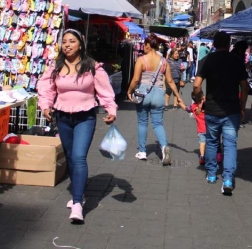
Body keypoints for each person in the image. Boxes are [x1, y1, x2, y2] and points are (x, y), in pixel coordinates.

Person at [37, 29, 116, 224]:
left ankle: (78, 202)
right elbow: (46, 88)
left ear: (81, 44)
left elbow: (105, 91)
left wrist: (111, 109)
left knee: (79, 157)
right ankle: (77, 190)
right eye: (64, 42)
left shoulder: (92, 67)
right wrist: (45, 106)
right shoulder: (56, 67)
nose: (67, 45)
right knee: (71, 157)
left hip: (85, 117)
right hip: (63, 117)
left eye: (72, 41)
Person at [193, 31, 248, 195]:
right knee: (230, 145)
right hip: (232, 110)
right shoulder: (237, 61)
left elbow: (196, 85)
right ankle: (228, 179)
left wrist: (199, 99)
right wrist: (243, 107)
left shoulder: (207, 60)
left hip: (212, 110)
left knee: (211, 142)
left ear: (214, 44)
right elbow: (244, 86)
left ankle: (211, 175)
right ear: (229, 43)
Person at [127, 34, 186, 165]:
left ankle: (142, 151)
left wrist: (129, 91)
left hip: (143, 94)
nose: (143, 48)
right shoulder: (164, 61)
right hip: (159, 95)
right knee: (158, 124)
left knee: (142, 123)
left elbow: (136, 79)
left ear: (148, 45)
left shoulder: (142, 60)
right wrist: (178, 96)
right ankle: (164, 147)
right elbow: (170, 81)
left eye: (144, 46)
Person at [189, 90, 207, 165]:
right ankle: (210, 156)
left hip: (201, 129)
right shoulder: (206, 104)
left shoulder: (193, 106)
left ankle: (202, 156)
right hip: (209, 128)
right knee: (210, 143)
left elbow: (193, 110)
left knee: (202, 143)